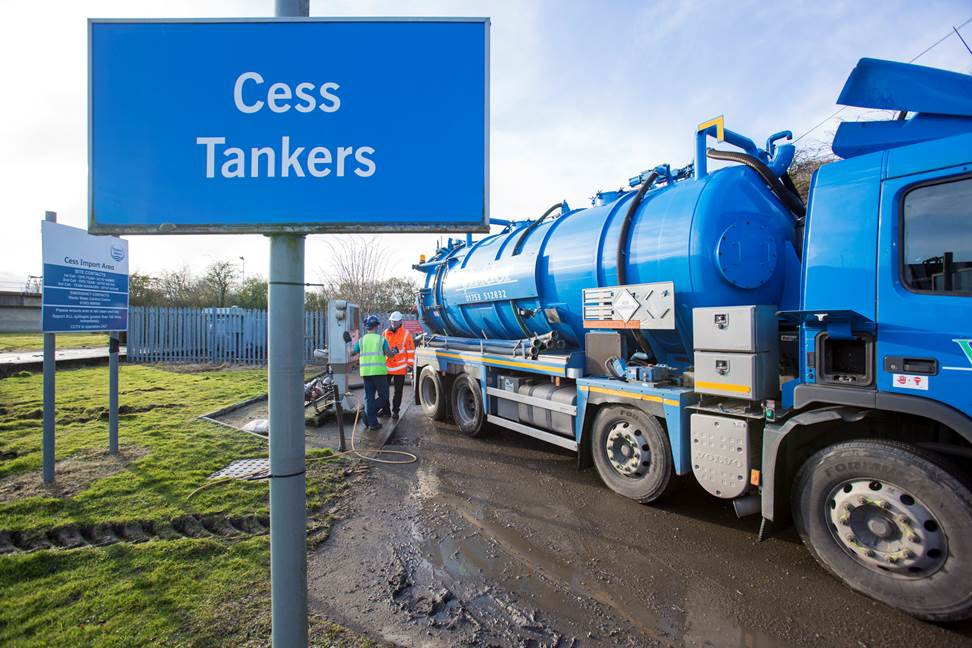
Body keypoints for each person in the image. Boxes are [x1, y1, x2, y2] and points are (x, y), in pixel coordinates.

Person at [353, 315, 396, 431]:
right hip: (379, 373)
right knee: (384, 396)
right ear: (376, 326)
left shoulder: (361, 341)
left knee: (369, 397)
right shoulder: (381, 340)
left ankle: (372, 423)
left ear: (366, 327)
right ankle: (368, 414)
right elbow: (390, 354)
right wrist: (394, 351)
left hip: (366, 373)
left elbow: (352, 352)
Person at [382, 311, 415, 421]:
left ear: (400, 321)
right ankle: (386, 411)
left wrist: (410, 365)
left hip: (400, 368)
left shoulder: (406, 334)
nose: (393, 323)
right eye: (392, 321)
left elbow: (410, 350)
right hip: (387, 367)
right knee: (384, 391)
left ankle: (395, 411)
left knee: (398, 391)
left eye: (395, 321)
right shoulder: (385, 333)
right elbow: (381, 349)